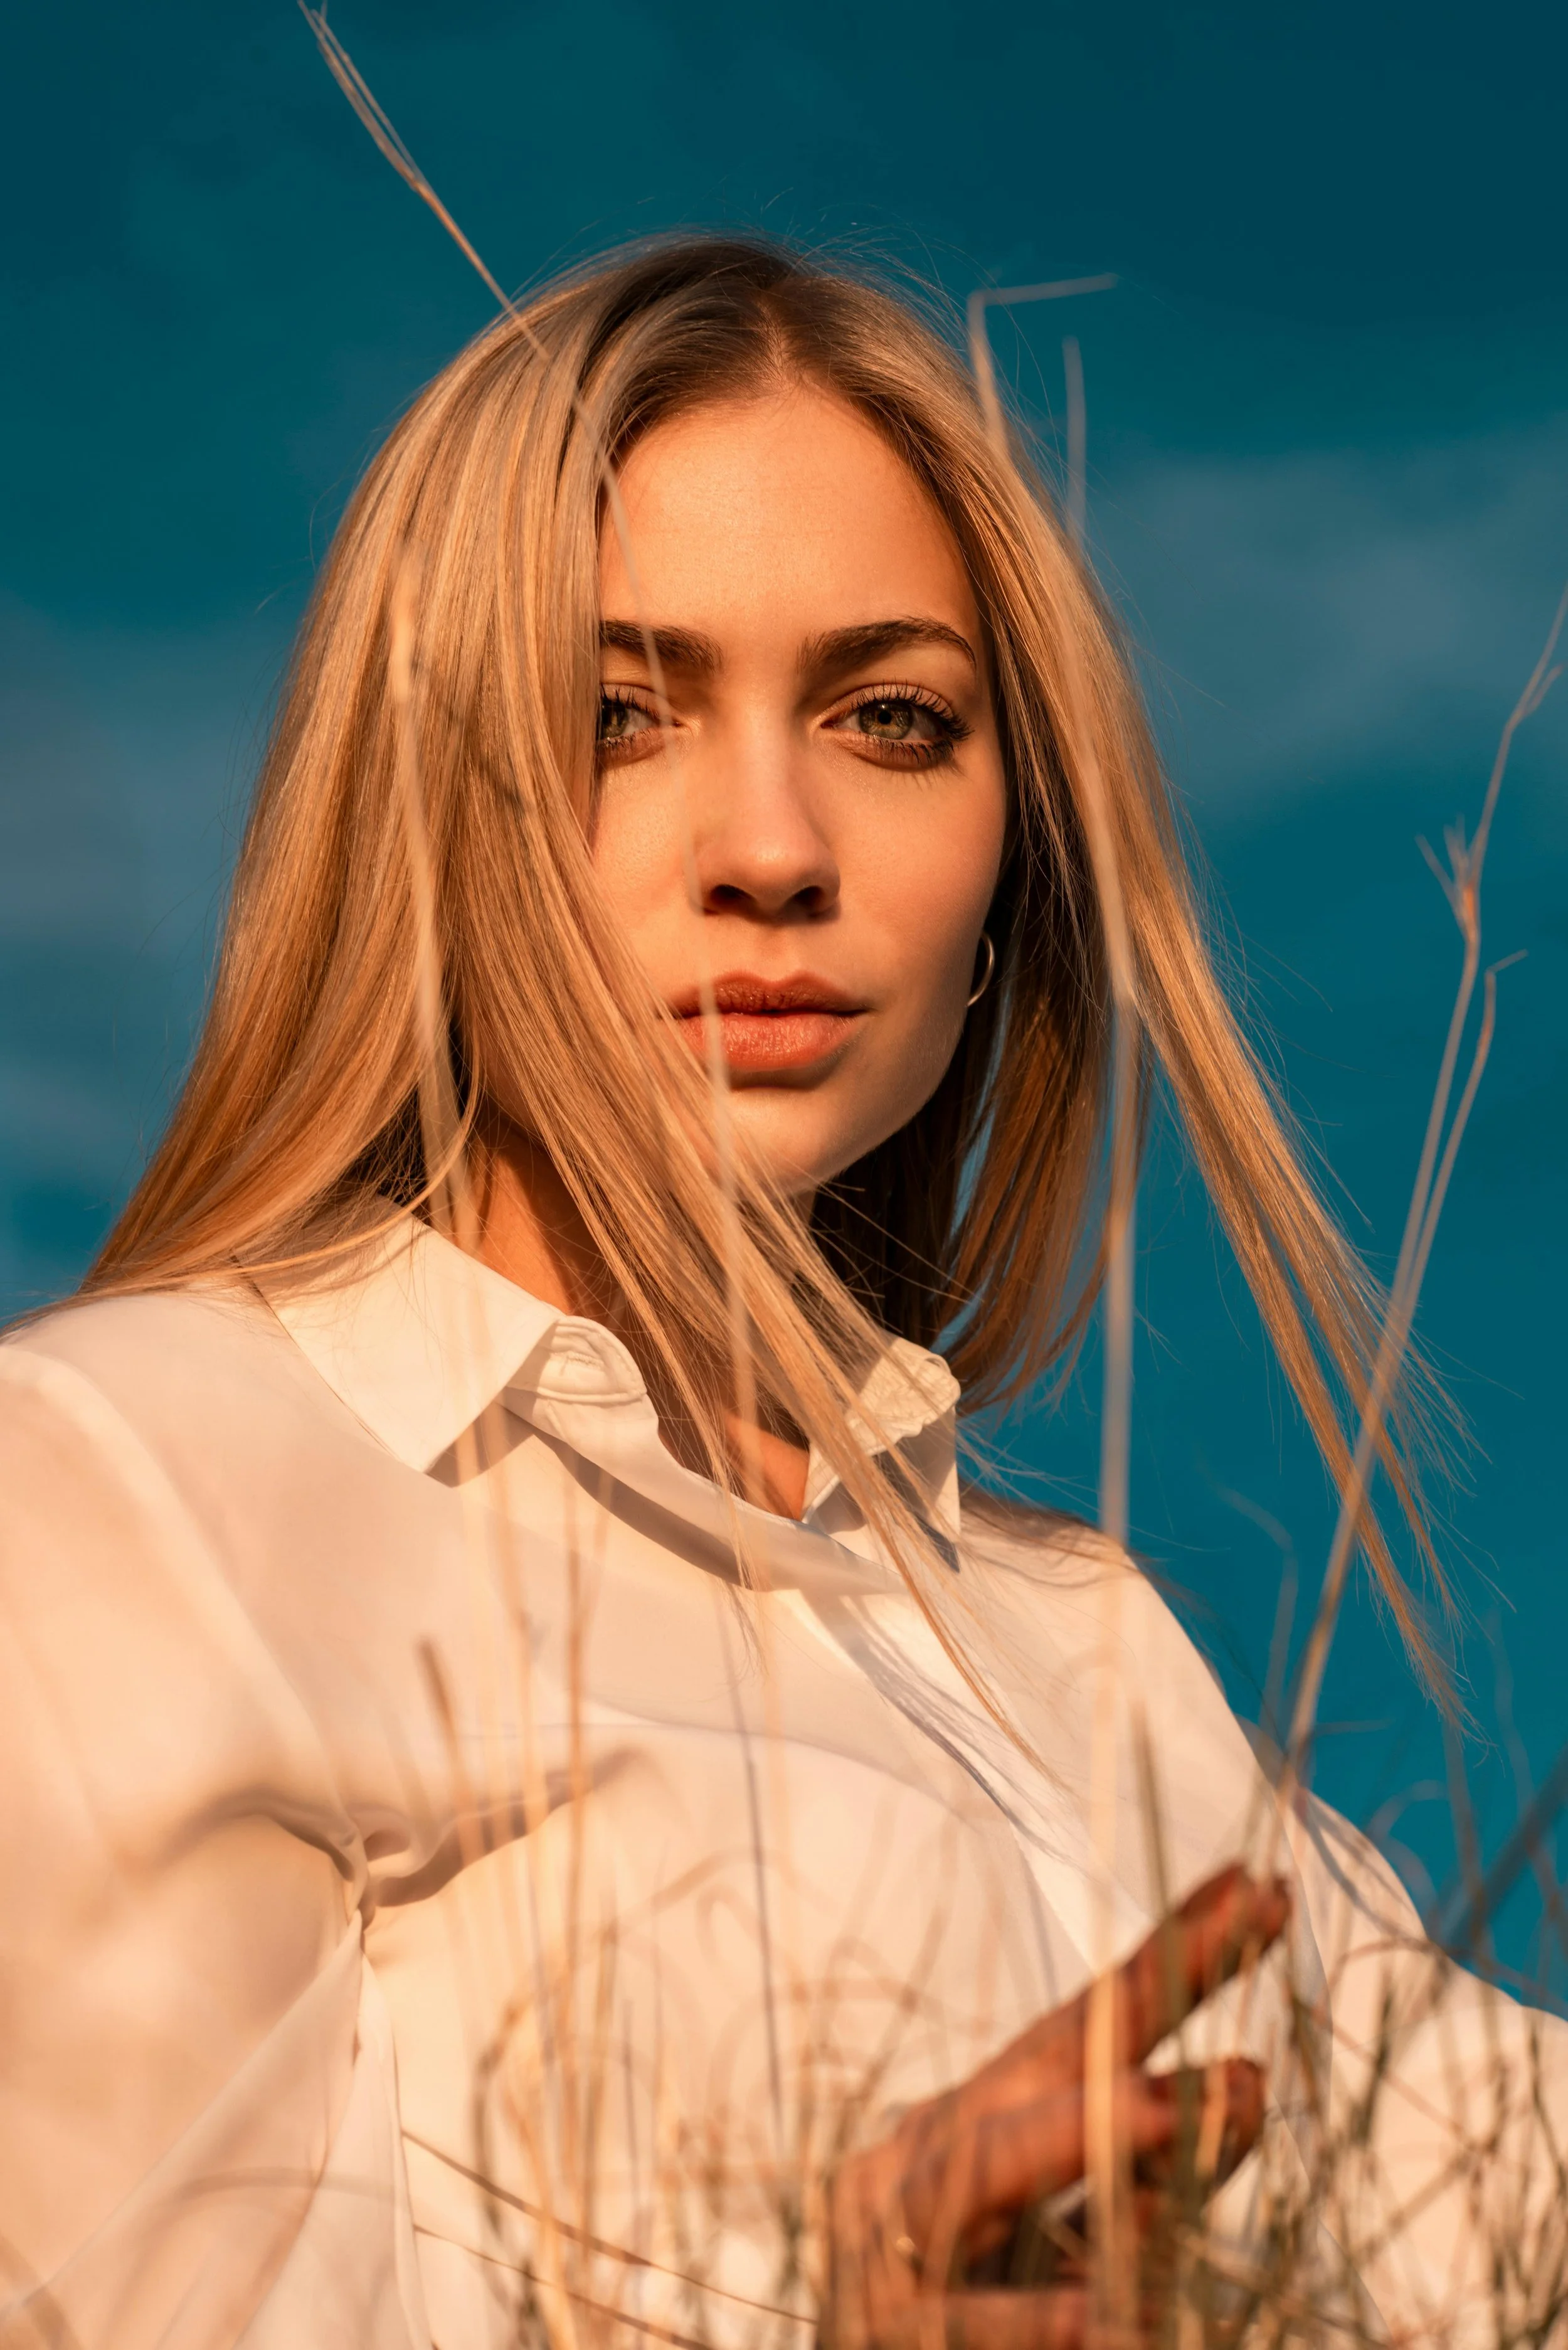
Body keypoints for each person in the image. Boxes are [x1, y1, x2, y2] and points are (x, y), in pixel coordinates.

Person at [1, 237, 1559, 2350]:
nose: (770, 844)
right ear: (415, 805)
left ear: (1019, 858)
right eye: (615, 714)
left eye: (890, 717)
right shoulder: (118, 1493)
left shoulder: (1079, 1647)